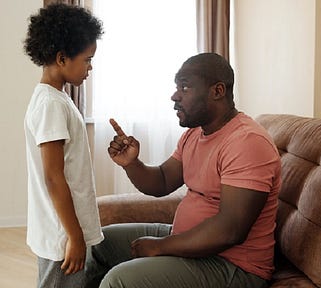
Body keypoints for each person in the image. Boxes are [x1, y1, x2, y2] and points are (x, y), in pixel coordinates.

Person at [85, 53, 281, 288]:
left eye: (185, 87)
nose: (174, 96)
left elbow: (231, 230)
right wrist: (131, 163)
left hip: (233, 265)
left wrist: (160, 246)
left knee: (120, 281)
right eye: (177, 87)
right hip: (187, 241)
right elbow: (162, 182)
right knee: (96, 244)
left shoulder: (246, 142)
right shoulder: (194, 133)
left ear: (217, 91)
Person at [23, 3, 104, 288]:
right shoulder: (51, 105)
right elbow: (54, 176)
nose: (90, 67)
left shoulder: (58, 98)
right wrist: (75, 236)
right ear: (61, 58)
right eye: (87, 59)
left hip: (65, 229)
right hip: (62, 233)